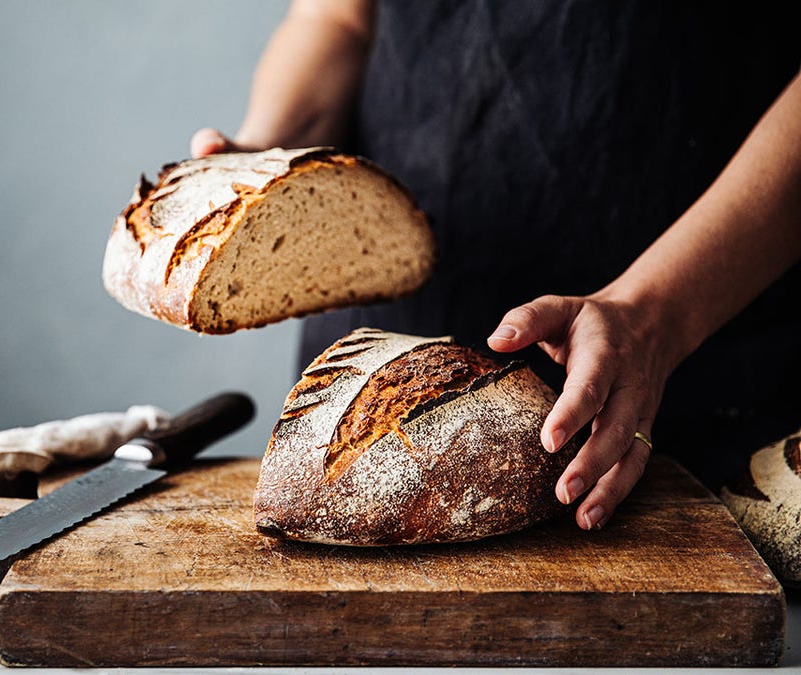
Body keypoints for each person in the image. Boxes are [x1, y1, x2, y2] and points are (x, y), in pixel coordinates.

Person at [192, 0, 801, 530]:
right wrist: (267, 165)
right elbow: (336, 17)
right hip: (372, 372)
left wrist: (657, 314)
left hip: (698, 330)